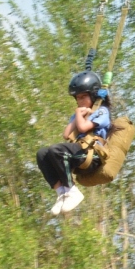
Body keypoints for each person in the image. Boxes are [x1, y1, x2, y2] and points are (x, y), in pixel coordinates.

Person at [35, 71, 111, 215]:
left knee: (56, 150)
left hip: (92, 156)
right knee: (42, 154)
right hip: (78, 152)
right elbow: (66, 135)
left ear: (93, 95)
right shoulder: (78, 115)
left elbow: (83, 128)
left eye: (83, 97)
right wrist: (78, 115)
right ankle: (62, 192)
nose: (80, 101)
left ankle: (72, 191)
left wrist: (79, 115)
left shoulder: (102, 112)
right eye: (78, 98)